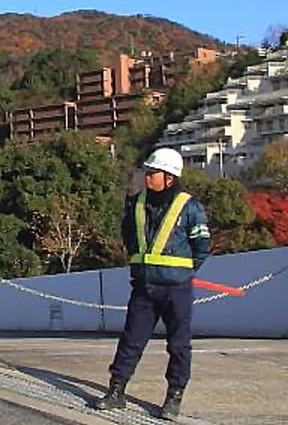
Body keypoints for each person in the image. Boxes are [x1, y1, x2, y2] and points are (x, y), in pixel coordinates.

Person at [93, 147, 211, 421]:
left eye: (153, 172)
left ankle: (174, 397)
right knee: (131, 340)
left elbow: (202, 245)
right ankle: (116, 391)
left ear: (169, 177)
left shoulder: (189, 207)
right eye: (148, 172)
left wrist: (185, 272)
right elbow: (128, 236)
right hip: (144, 287)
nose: (148, 177)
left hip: (177, 289)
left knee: (179, 344)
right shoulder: (136, 203)